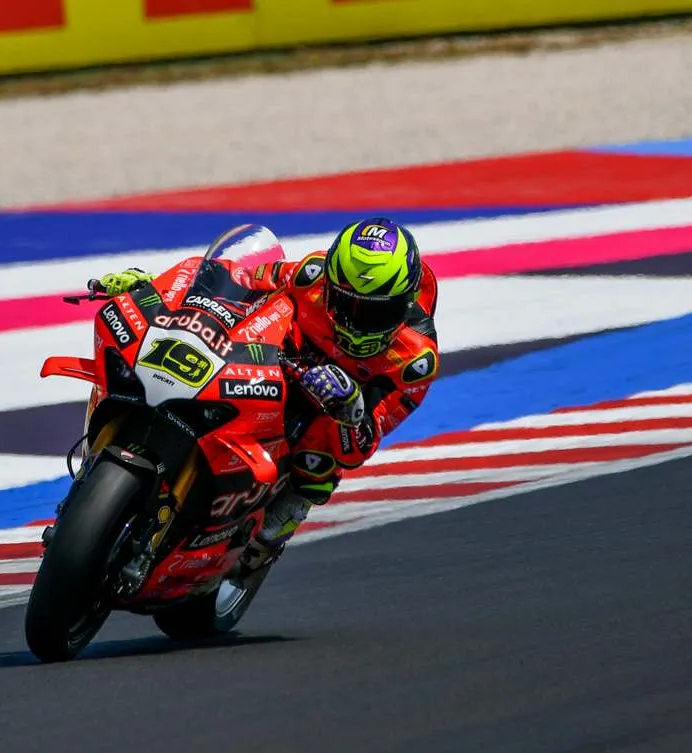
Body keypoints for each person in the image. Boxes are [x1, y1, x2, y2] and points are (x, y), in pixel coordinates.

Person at [94, 218, 439, 575]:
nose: (356, 321)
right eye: (346, 303)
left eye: (376, 311)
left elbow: (362, 445)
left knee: (318, 464)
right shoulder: (311, 276)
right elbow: (235, 276)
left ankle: (273, 532)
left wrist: (350, 406)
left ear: (405, 302)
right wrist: (154, 286)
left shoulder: (413, 361)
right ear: (331, 285)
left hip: (330, 412)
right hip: (272, 363)